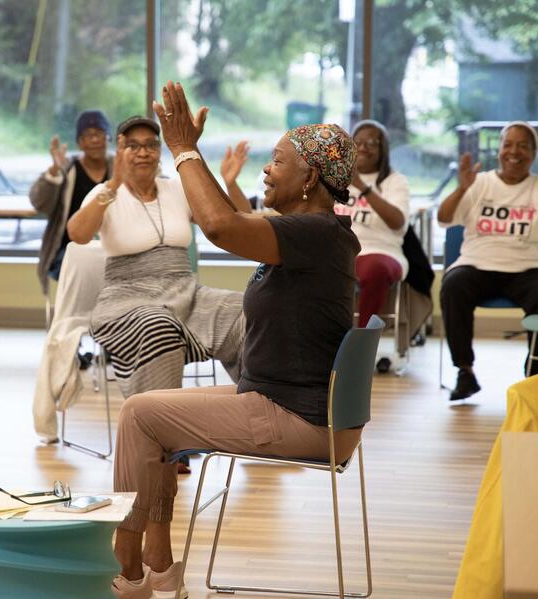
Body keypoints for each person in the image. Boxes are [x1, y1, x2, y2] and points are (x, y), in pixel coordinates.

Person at [108, 81, 362, 599]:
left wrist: (181, 149)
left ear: (310, 176)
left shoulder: (314, 235)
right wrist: (194, 155)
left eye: (279, 161)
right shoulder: (308, 232)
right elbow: (233, 221)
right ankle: (153, 562)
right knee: (148, 415)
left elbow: (221, 227)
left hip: (295, 416)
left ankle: (125, 565)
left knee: (139, 414)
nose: (266, 169)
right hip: (285, 403)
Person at [67, 114, 249, 403]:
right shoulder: (105, 193)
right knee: (158, 326)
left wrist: (230, 182)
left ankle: (260, 408)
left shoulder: (176, 187)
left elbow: (237, 220)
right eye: (133, 146)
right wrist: (113, 184)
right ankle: (160, 432)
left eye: (151, 144)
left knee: (247, 309)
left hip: (185, 292)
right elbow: (76, 233)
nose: (143, 152)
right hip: (128, 300)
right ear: (120, 150)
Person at [438, 121, 538, 401]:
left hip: (528, 268)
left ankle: (536, 378)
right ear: (499, 149)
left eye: (523, 146)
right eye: (508, 144)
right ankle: (465, 371)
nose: (514, 152)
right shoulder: (479, 182)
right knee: (454, 284)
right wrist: (462, 188)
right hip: (477, 264)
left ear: (534, 154)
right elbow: (444, 218)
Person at [336, 119, 410, 370]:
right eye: (358, 142)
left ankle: (361, 349)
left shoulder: (394, 181)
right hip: (338, 249)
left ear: (383, 149)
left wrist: (363, 188)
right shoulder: (335, 178)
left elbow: (398, 223)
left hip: (381, 250)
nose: (364, 147)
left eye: (372, 143)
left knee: (375, 269)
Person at [29, 110, 114, 293]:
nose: (94, 140)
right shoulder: (67, 169)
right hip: (68, 249)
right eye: (87, 135)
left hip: (113, 246)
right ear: (79, 142)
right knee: (86, 270)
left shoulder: (119, 169)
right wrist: (54, 170)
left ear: (109, 138)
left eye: (99, 134)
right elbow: (38, 202)